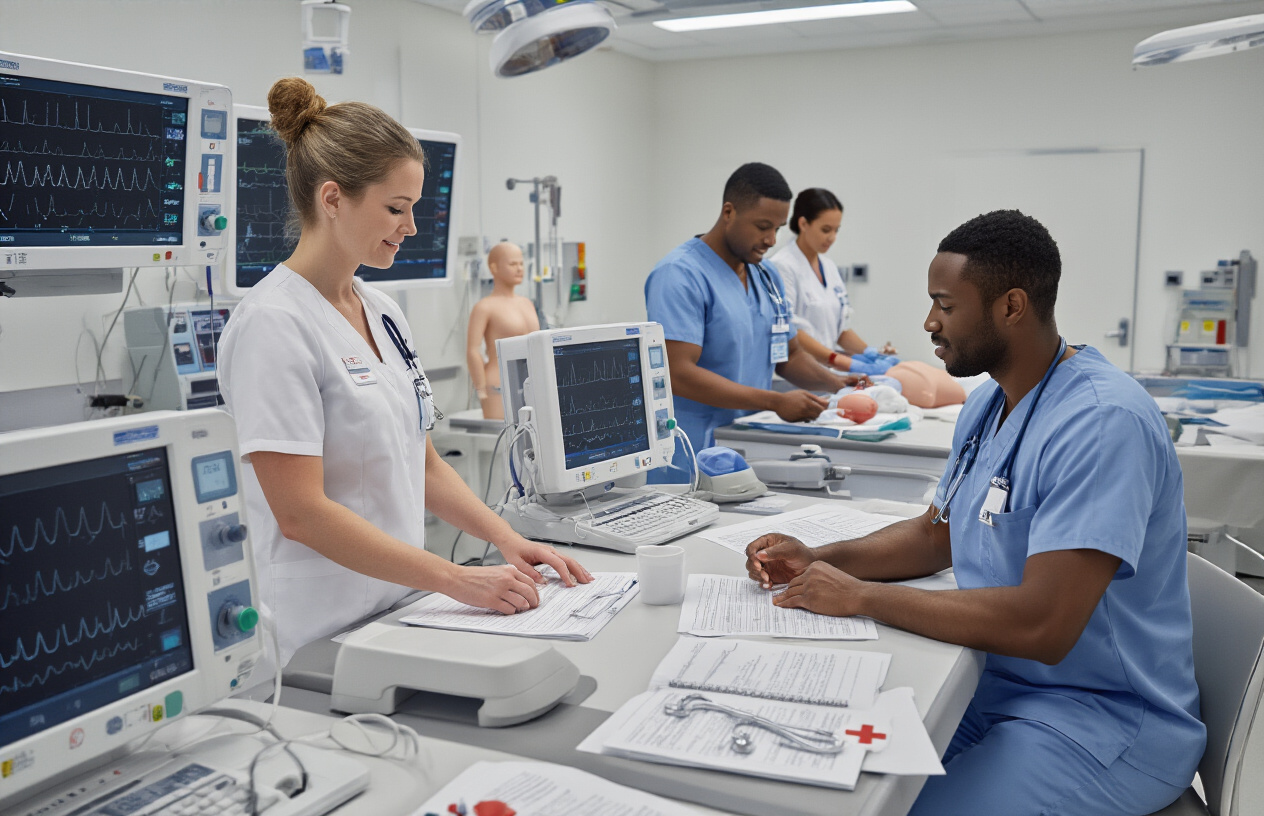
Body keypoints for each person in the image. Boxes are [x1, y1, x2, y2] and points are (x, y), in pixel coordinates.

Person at [745, 210, 1204, 815]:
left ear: (1011, 306)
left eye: (945, 305)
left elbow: (1044, 625)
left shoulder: (1101, 423)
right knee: (831, 782)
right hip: (995, 688)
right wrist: (817, 559)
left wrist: (859, 595)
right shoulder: (990, 402)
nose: (929, 322)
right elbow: (938, 537)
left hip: (1100, 717)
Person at [218, 78, 591, 666]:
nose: (410, 227)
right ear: (333, 198)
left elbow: (422, 463)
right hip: (314, 632)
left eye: (413, 209)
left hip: (399, 608)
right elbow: (299, 513)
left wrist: (506, 538)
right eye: (396, 209)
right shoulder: (273, 324)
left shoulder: (383, 312)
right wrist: (458, 580)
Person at [644, 163, 867, 482]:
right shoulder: (680, 275)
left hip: (750, 447)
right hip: (694, 452)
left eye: (777, 228)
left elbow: (787, 356)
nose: (771, 239)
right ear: (729, 212)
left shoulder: (766, 275)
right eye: (763, 226)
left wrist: (837, 383)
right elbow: (678, 373)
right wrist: (775, 401)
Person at [768, 188, 897, 377]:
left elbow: (840, 330)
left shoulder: (828, 267)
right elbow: (790, 329)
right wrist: (840, 360)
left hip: (827, 373)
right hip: (796, 375)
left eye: (836, 230)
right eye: (826, 230)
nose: (832, 237)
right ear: (803, 223)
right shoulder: (782, 266)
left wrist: (870, 353)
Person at [466, 242, 539, 420]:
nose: (519, 269)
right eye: (513, 264)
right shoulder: (484, 307)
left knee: (533, 440)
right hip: (499, 384)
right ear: (494, 268)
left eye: (521, 264)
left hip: (532, 380)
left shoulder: (527, 304)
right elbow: (473, 350)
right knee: (503, 440)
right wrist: (481, 390)